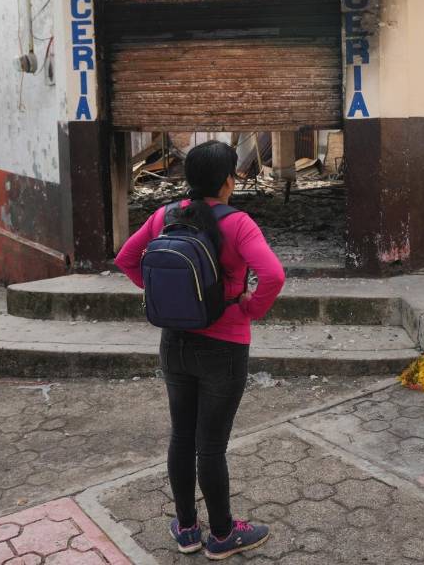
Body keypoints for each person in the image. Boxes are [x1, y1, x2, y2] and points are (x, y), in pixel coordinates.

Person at [114, 140, 286, 560]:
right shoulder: (239, 223)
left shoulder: (164, 215)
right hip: (224, 346)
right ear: (228, 180)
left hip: (174, 340)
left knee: (181, 437)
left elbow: (125, 259)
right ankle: (224, 536)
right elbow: (273, 276)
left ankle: (187, 530)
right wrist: (250, 308)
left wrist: (166, 297)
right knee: (211, 446)